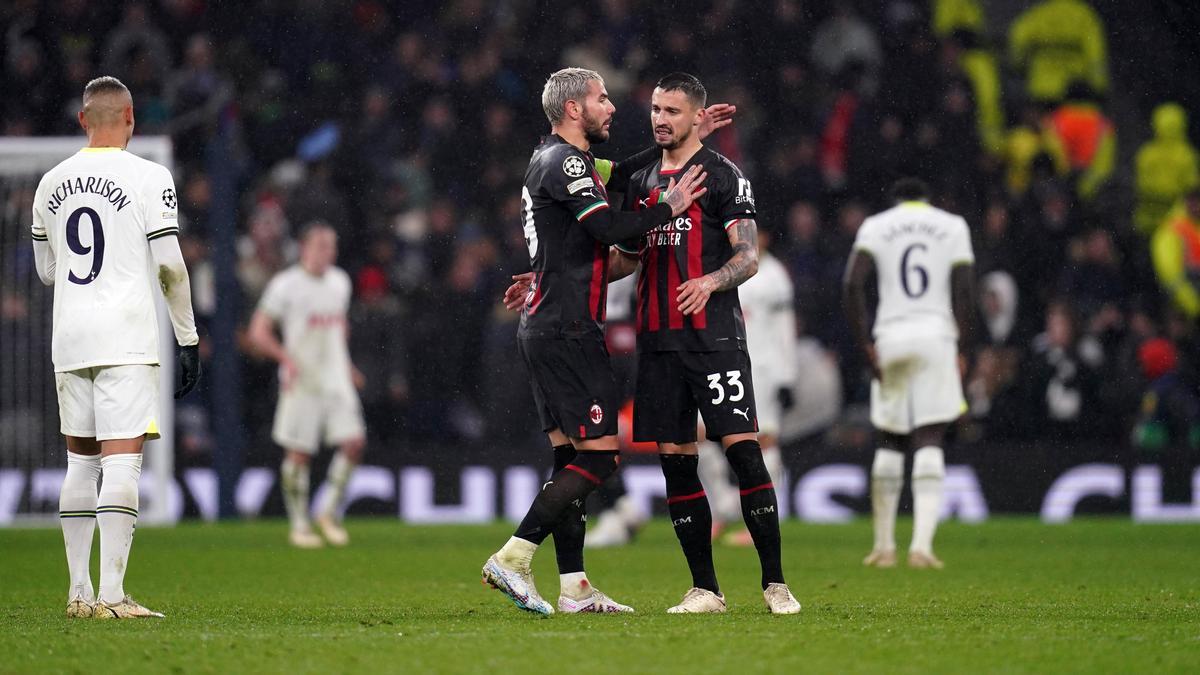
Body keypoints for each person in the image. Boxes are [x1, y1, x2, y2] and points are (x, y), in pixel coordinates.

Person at [483, 67, 710, 616]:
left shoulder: (560, 160)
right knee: (601, 458)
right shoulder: (565, 161)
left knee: (569, 461)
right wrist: (667, 208)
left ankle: (575, 587)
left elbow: (627, 170)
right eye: (602, 99)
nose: (611, 108)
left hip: (546, 324)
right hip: (567, 330)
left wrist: (690, 139)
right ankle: (513, 557)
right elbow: (610, 228)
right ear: (573, 110)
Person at [612, 72, 801, 614]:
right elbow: (628, 255)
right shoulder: (642, 177)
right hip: (658, 341)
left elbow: (748, 256)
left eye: (672, 111)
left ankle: (775, 584)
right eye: (655, 109)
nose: (660, 119)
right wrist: (569, 277)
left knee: (743, 453)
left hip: (714, 338)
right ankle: (705, 590)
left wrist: (710, 281)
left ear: (698, 117)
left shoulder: (725, 177)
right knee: (676, 462)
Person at [32, 76, 201, 619]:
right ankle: (112, 594)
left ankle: (78, 592)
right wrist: (188, 337)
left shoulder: (49, 183)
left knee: (79, 466)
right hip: (126, 336)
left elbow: (46, 271)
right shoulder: (149, 177)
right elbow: (171, 267)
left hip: (70, 336)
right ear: (131, 118)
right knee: (122, 463)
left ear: (83, 120)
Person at [843, 177, 975, 570]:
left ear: (896, 200)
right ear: (927, 199)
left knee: (890, 437)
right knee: (930, 434)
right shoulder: (953, 226)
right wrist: (963, 347)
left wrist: (865, 343)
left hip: (892, 336)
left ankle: (884, 547)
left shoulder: (876, 226)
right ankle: (921, 546)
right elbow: (964, 289)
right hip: (936, 336)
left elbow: (852, 283)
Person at [248, 222, 366, 549]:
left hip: (335, 377)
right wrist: (285, 359)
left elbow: (338, 328)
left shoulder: (340, 282)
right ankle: (299, 524)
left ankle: (327, 512)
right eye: (322, 246)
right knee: (299, 453)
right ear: (305, 248)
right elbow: (258, 331)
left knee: (354, 442)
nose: (329, 252)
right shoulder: (285, 286)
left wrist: (348, 364)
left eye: (332, 246)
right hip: (302, 379)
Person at [700, 227, 797, 546]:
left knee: (762, 440)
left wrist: (787, 374)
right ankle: (719, 511)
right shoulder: (723, 266)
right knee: (700, 436)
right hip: (723, 361)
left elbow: (786, 328)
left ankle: (763, 518)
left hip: (764, 367)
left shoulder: (773, 276)